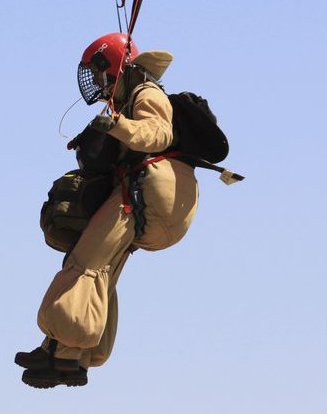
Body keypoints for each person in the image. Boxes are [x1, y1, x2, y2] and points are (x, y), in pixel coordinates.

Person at [16, 33, 199, 388]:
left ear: (113, 66)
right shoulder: (129, 98)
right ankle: (72, 356)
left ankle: (63, 348)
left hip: (147, 193)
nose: (98, 83)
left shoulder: (147, 94)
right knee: (100, 269)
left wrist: (117, 126)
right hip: (154, 199)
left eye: (99, 74)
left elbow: (156, 134)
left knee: (84, 262)